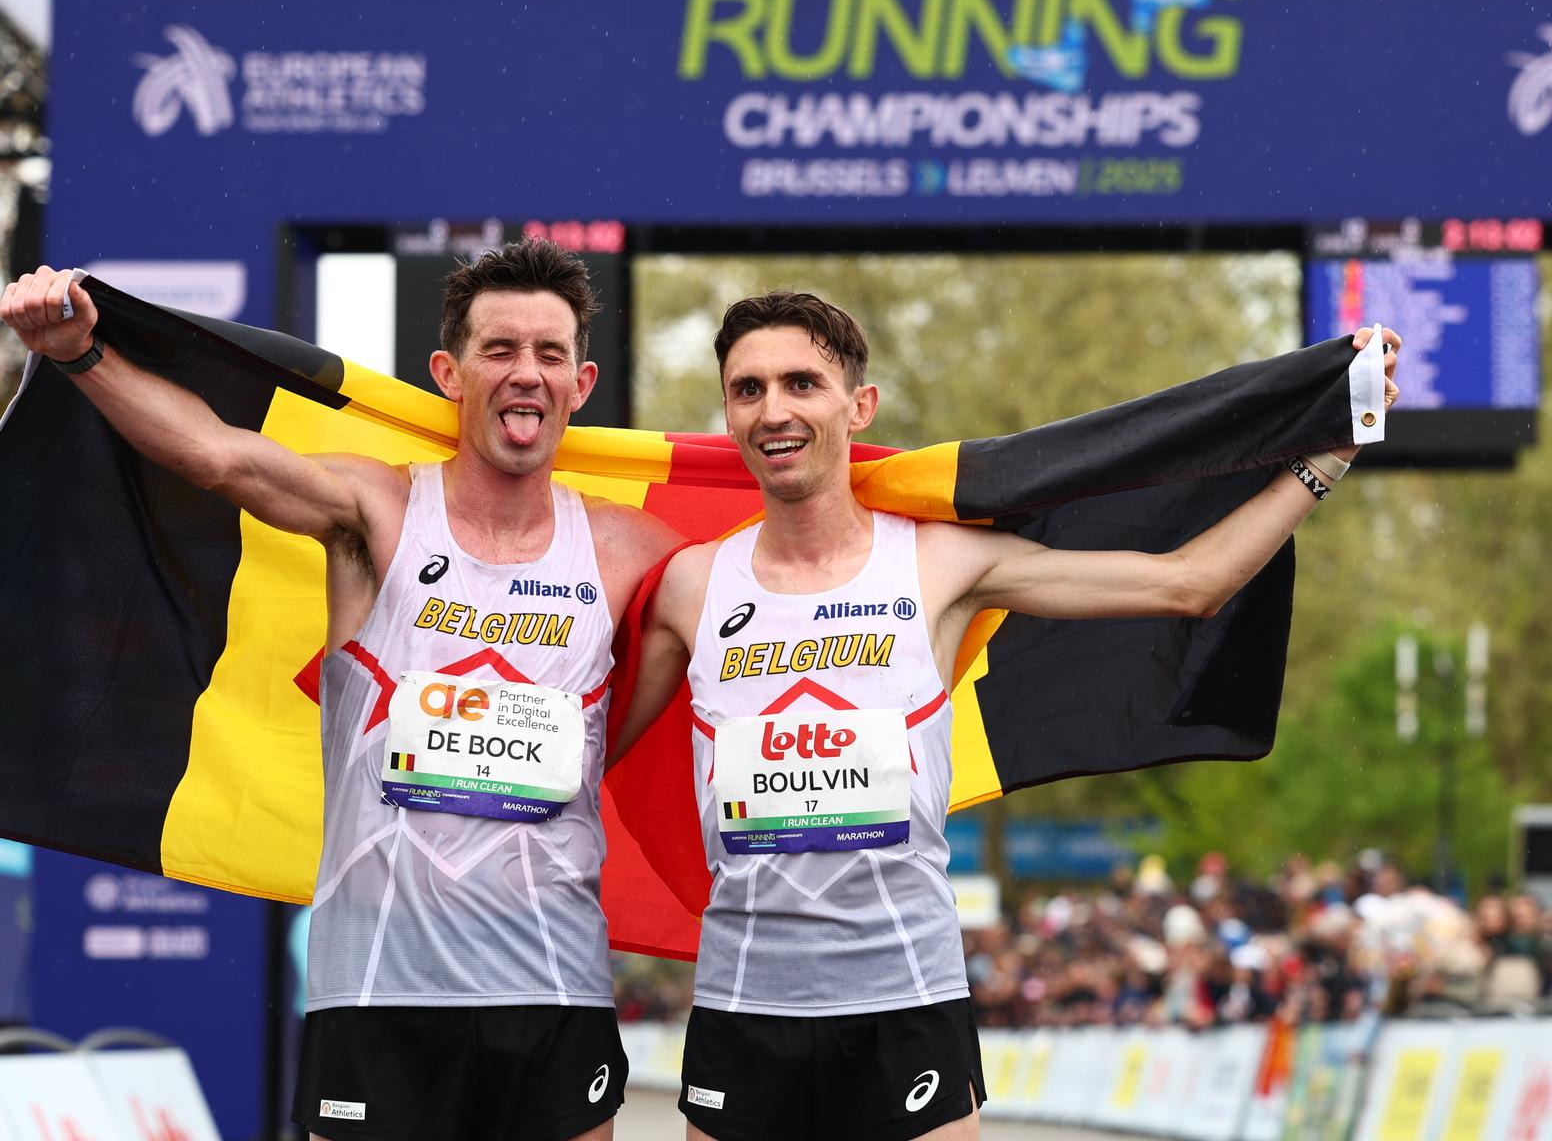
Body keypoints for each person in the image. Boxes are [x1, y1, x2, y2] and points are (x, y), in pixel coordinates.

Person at [615, 290, 1398, 1141]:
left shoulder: (938, 562)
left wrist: (1328, 455)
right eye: (749, 389)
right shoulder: (692, 587)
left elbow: (1188, 583)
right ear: (728, 412)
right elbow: (593, 750)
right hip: (743, 1004)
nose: (775, 410)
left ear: (857, 405)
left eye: (803, 383)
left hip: (905, 997)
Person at [1, 245, 682, 1141]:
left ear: (582, 381)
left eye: (550, 354)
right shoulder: (380, 509)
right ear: (449, 373)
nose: (527, 373)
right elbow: (216, 457)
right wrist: (79, 354)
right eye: (500, 350)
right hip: (380, 988)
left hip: (553, 988)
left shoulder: (631, 548)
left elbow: (779, 597)